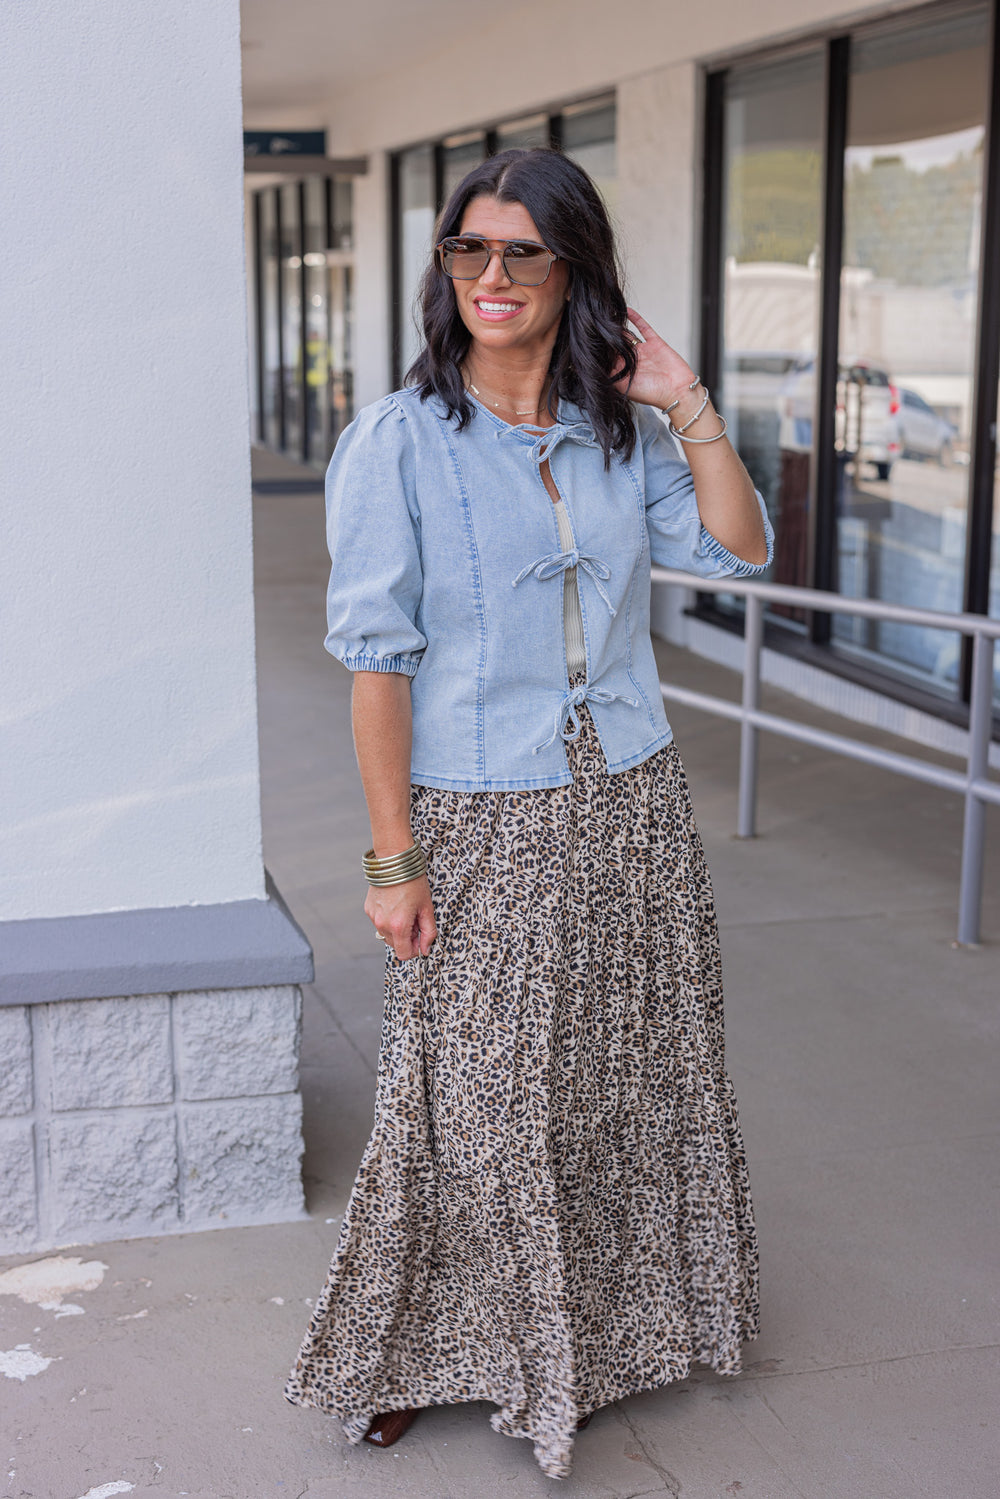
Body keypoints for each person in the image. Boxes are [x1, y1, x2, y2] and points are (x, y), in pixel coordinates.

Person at [284, 147, 771, 1481]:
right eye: (468, 252)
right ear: (448, 271)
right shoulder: (399, 440)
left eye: (522, 253)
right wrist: (394, 857)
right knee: (471, 1094)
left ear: (573, 273)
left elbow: (740, 547)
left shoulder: (615, 432)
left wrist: (687, 401)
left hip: (632, 800)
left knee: (623, 1085)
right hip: (479, 812)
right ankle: (419, 1349)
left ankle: (600, 1337)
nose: (491, 277)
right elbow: (377, 662)